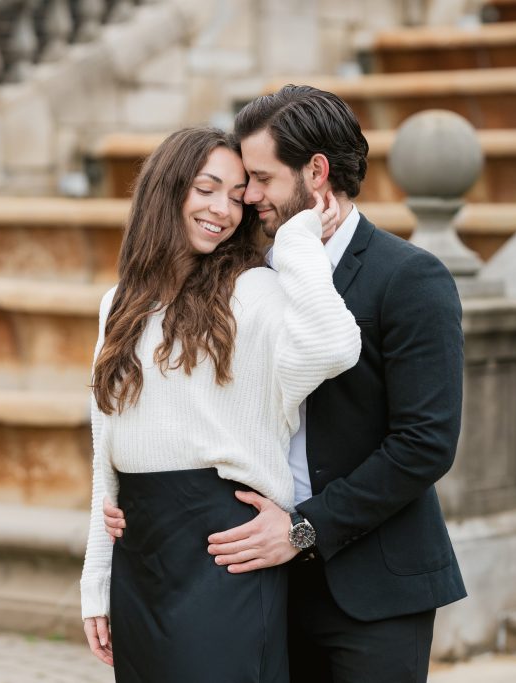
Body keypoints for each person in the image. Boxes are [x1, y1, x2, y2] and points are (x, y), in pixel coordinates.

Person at [105, 86, 467, 682]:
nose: (247, 197)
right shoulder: (251, 276)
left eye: (260, 178)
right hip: (258, 577)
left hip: (371, 587)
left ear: (316, 172)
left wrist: (303, 529)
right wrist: (134, 499)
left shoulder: (410, 278)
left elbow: (425, 443)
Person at [80, 126, 362, 682]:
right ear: (167, 189)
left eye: (237, 196)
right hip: (140, 547)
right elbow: (104, 446)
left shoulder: (253, 291)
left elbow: (335, 345)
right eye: (206, 189)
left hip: (222, 545)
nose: (223, 210)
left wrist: (300, 239)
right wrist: (97, 576)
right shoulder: (119, 303)